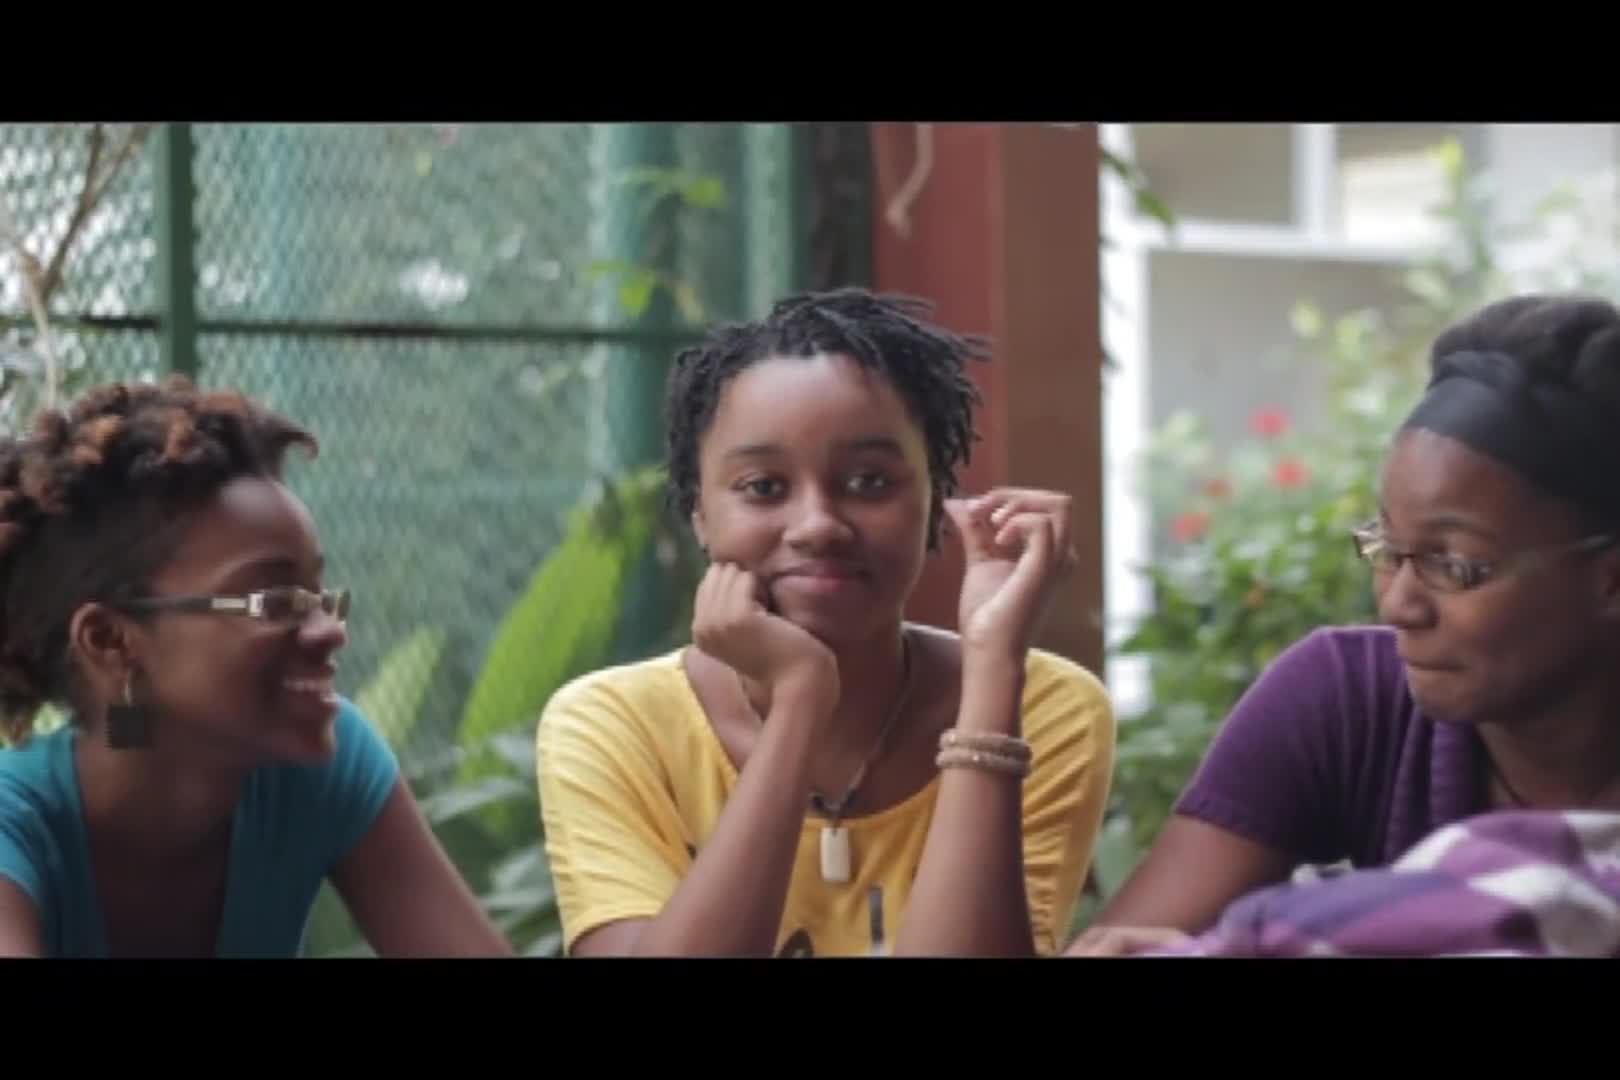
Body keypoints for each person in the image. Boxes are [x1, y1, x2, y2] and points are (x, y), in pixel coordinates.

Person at [536, 288, 1116, 957]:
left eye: (870, 482)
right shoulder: (614, 725)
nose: (818, 526)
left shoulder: (1041, 705)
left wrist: (992, 670)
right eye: (764, 487)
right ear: (700, 515)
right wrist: (800, 700)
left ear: (935, 503)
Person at [1067, 292, 1620, 956]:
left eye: (1454, 564)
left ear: (1611, 579)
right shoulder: (1349, 700)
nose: (1398, 605)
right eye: (1387, 548)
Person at [0, 376, 512, 958]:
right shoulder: (15, 825)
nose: (330, 629)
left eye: (317, 593)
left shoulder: (322, 769)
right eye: (274, 602)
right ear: (110, 642)